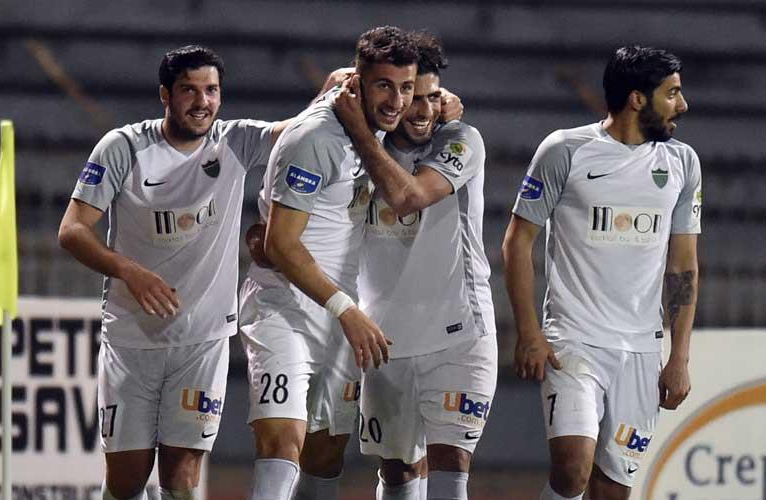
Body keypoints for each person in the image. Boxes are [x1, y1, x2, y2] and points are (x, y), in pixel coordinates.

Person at [57, 45, 288, 500]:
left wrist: (336, 92)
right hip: (133, 336)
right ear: (165, 94)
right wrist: (129, 271)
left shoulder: (235, 141)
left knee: (181, 476)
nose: (202, 102)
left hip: (202, 339)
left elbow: (300, 132)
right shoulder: (124, 147)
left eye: (212, 90)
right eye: (189, 90)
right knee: (127, 480)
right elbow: (72, 230)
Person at [502, 46, 701, 500]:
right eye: (672, 93)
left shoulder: (682, 163)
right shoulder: (565, 150)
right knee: (572, 469)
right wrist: (530, 332)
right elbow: (518, 241)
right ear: (637, 99)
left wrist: (679, 357)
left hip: (641, 349)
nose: (683, 105)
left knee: (612, 490)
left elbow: (683, 264)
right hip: (574, 340)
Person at [238, 26, 418, 500]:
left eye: (406, 87)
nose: (397, 101)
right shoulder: (314, 137)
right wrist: (346, 309)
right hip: (284, 306)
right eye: (384, 86)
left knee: (325, 457)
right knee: (282, 440)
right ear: (359, 83)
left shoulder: (372, 126)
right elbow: (280, 244)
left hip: (339, 316)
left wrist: (447, 103)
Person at [329, 32, 497, 500]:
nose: (422, 110)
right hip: (385, 337)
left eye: (431, 97)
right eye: (410, 96)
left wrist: (362, 132)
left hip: (460, 333)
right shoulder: (351, 146)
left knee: (450, 464)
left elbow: (408, 197)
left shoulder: (461, 140)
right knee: (398, 471)